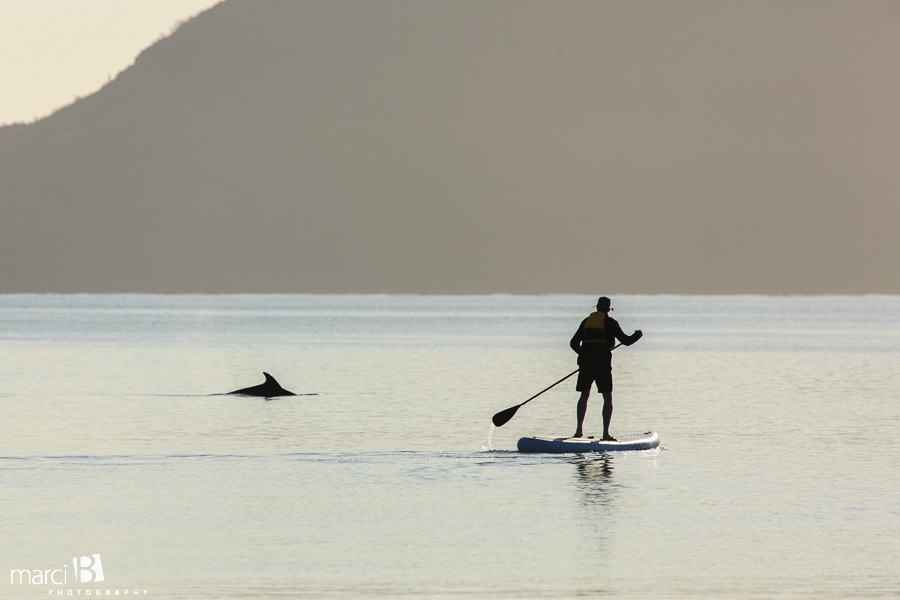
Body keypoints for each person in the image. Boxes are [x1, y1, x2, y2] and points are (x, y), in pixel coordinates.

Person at [569, 296, 642, 440]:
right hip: (602, 364)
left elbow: (573, 343)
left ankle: (578, 432)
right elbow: (626, 341)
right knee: (607, 397)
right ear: (608, 309)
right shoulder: (610, 322)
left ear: (596, 308)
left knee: (584, 395)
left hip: (586, 364)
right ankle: (605, 434)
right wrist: (637, 335)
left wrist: (583, 355)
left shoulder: (586, 322)